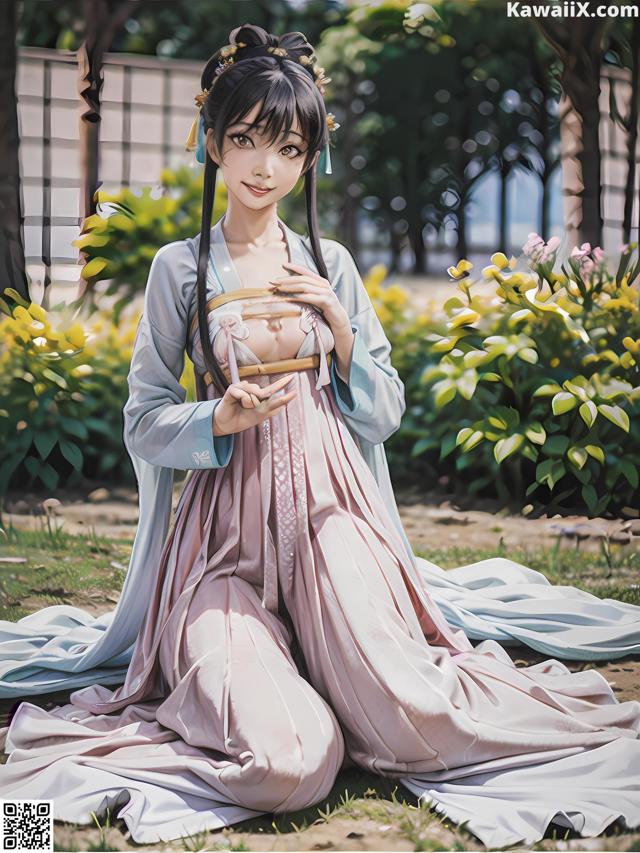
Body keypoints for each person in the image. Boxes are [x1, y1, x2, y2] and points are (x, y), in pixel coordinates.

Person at [1, 23, 639, 849]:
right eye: (246, 140)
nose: (266, 166)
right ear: (213, 142)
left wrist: (341, 333)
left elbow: (384, 411)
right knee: (288, 765)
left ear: (311, 159)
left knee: (418, 724)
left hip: (334, 521)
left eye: (289, 147)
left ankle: (344, 675)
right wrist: (213, 420)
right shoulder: (179, 270)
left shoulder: (329, 265)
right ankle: (283, 699)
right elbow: (144, 414)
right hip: (221, 548)